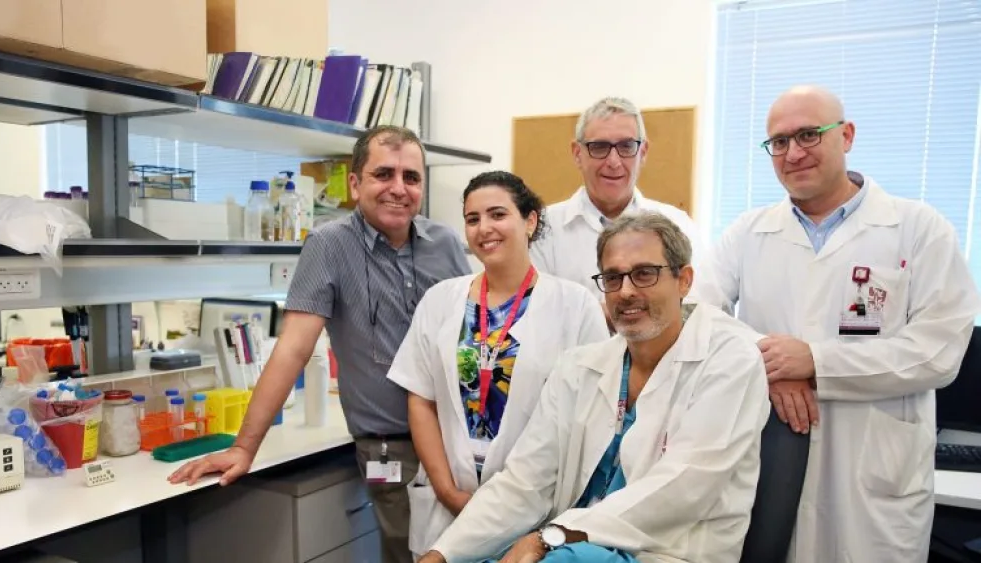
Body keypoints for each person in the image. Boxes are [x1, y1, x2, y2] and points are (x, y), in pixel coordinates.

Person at [689, 85, 981, 563]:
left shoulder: (917, 228)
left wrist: (816, 362)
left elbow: (939, 350)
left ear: (846, 135)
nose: (793, 152)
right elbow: (698, 312)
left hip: (875, 475)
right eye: (778, 142)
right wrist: (772, 361)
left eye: (808, 134)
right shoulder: (748, 231)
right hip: (771, 453)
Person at [167, 125, 472, 563]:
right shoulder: (329, 246)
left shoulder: (443, 243)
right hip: (391, 447)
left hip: (459, 440)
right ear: (354, 183)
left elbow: (473, 333)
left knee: (473, 552)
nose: (398, 189)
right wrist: (244, 446)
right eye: (383, 174)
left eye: (411, 177)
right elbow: (293, 348)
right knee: (414, 556)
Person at [419, 211, 770, 563]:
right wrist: (442, 553)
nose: (627, 291)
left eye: (645, 274)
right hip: (573, 543)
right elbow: (524, 482)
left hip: (666, 551)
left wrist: (552, 536)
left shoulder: (730, 360)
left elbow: (683, 488)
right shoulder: (579, 367)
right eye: (613, 278)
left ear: (684, 280)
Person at [386, 171, 610, 558]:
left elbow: (592, 417)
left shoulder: (575, 305)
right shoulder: (441, 300)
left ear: (530, 220)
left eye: (497, 214)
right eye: (473, 219)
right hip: (446, 497)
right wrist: (448, 492)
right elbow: (420, 398)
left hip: (533, 506)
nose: (484, 228)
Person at [530, 96, 702, 302]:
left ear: (643, 152)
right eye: (599, 147)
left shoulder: (679, 225)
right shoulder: (542, 230)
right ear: (577, 154)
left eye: (627, 146)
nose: (613, 161)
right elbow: (538, 313)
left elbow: (693, 306)